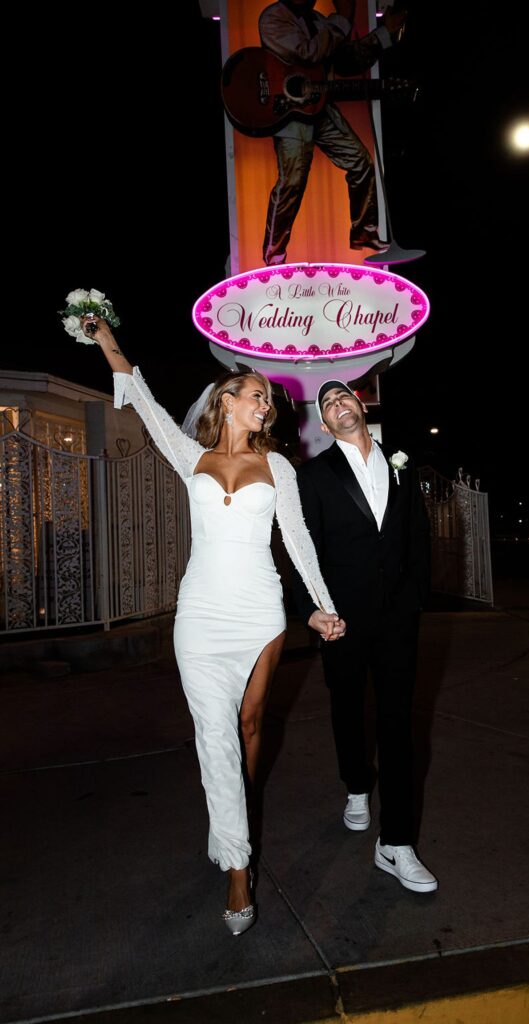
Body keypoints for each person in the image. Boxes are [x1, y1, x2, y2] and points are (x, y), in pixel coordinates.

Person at [81, 314, 345, 934]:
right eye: (258, 394)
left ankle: (230, 819)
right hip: (199, 614)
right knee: (214, 737)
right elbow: (142, 400)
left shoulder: (278, 468)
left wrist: (323, 604)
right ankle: (236, 867)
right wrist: (103, 338)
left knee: (250, 724)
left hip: (260, 611)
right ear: (226, 401)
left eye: (270, 400)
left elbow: (299, 541)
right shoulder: (190, 456)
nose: (267, 405)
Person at [291, 380, 437, 892]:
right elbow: (301, 551)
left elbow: (416, 534)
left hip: (399, 619)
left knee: (399, 723)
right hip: (343, 619)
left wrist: (417, 596)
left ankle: (395, 843)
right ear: (325, 425)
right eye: (327, 404)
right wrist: (313, 610)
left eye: (343, 397)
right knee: (348, 708)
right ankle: (356, 784)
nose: (337, 405)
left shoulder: (401, 466)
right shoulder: (312, 476)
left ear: (361, 407)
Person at [258, 0, 406, 266]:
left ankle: (364, 232)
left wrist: (385, 33)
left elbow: (346, 60)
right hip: (290, 112)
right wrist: (344, 18)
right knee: (292, 182)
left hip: (319, 106)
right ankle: (274, 255)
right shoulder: (274, 17)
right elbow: (307, 53)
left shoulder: (317, 21)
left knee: (361, 161)